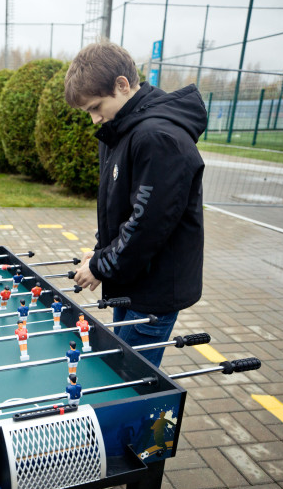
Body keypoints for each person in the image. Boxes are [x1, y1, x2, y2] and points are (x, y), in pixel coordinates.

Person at [65, 41, 206, 368]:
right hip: (131, 277)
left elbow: (147, 225)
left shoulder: (158, 138)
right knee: (119, 368)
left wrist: (100, 266)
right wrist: (100, 252)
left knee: (127, 379)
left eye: (96, 107)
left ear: (122, 85)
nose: (94, 119)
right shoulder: (120, 129)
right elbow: (118, 208)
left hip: (154, 290)